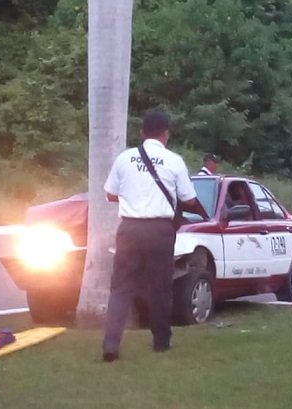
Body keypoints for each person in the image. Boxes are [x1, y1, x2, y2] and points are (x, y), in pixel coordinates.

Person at [102, 110, 208, 362]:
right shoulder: (173, 161)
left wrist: (133, 196)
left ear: (142, 133)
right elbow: (189, 198)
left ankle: (111, 343)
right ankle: (161, 341)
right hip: (160, 230)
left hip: (129, 228)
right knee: (160, 287)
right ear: (166, 134)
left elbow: (109, 194)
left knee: (121, 288)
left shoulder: (125, 159)